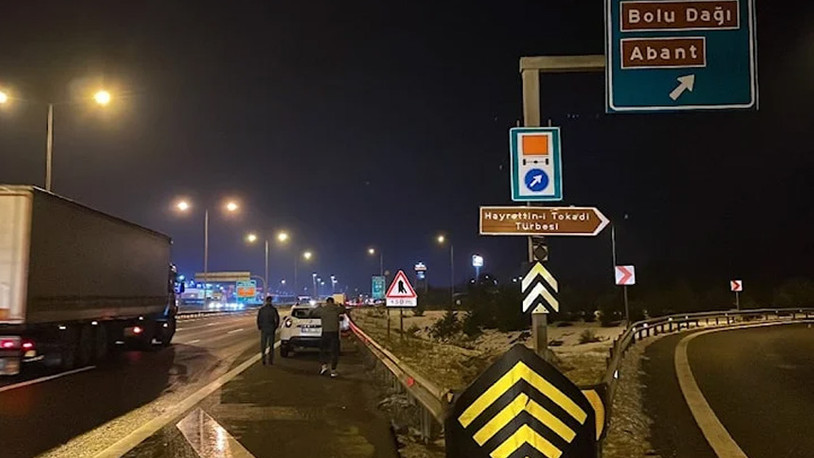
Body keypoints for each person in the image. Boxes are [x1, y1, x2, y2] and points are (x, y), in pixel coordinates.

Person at [312, 297, 344, 377]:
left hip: (325, 333)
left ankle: (324, 366)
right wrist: (340, 305)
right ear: (333, 302)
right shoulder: (336, 309)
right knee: (334, 352)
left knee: (323, 350)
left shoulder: (322, 309)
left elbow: (312, 312)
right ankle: (333, 370)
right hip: (334, 333)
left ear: (326, 302)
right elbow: (344, 310)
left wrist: (318, 306)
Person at [257, 296, 280, 365]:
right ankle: (270, 360)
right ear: (271, 301)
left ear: (266, 301)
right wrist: (275, 327)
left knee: (263, 345)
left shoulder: (262, 309)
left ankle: (263, 359)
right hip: (271, 329)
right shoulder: (273, 309)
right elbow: (277, 319)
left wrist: (260, 326)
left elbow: (258, 319)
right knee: (271, 345)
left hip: (264, 329)